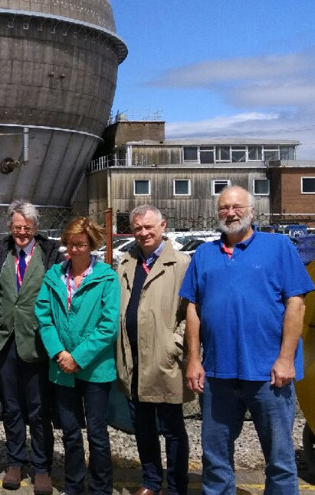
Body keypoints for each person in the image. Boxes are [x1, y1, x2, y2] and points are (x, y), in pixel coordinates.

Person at [180, 186, 315, 494]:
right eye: (224, 208)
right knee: (215, 459)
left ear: (252, 212)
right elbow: (193, 309)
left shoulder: (279, 247)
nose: (231, 213)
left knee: (280, 459)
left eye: (237, 207)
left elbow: (297, 304)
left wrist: (285, 359)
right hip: (217, 374)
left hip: (270, 374)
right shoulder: (204, 254)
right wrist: (194, 361)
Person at [35, 217, 119, 495]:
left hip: (95, 369)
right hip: (62, 367)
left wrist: (78, 357)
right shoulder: (54, 276)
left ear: (91, 245)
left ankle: (100, 488)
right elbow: (44, 317)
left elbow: (108, 325)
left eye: (80, 244)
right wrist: (59, 352)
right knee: (70, 432)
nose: (73, 250)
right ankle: (73, 485)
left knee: (97, 434)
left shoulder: (106, 277)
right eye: (70, 244)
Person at [0, 201, 62, 495]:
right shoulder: (2, 254)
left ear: (36, 228)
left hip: (38, 344)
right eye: (17, 227)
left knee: (39, 407)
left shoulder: (49, 256)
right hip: (5, 343)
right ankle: (15, 462)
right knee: (12, 407)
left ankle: (42, 467)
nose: (22, 232)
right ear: (9, 227)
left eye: (27, 227)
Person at [115, 205, 192, 495]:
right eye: (138, 229)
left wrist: (176, 344)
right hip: (133, 359)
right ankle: (150, 481)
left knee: (172, 429)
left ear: (163, 226)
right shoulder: (126, 262)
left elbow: (192, 312)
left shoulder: (182, 264)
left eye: (149, 227)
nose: (144, 233)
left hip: (164, 359)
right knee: (143, 426)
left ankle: (176, 487)